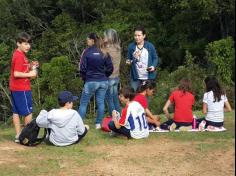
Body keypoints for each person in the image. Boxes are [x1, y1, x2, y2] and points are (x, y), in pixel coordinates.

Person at [79, 33, 113, 129]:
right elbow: (110, 67)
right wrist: (105, 76)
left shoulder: (86, 52)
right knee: (101, 102)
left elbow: (82, 68)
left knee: (83, 103)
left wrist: (85, 78)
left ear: (92, 40)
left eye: (88, 40)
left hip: (90, 81)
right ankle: (98, 124)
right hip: (103, 81)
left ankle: (79, 124)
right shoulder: (104, 51)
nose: (87, 41)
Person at [9, 32, 38, 143]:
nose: (28, 46)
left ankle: (18, 135)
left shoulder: (20, 55)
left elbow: (21, 68)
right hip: (22, 88)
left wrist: (31, 65)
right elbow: (16, 73)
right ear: (18, 43)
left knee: (16, 111)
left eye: (29, 44)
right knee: (28, 112)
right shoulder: (19, 56)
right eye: (25, 44)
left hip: (16, 87)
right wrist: (31, 74)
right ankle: (26, 136)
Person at [126, 26, 158, 91]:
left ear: (144, 36)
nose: (136, 37)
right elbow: (128, 61)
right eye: (135, 35)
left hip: (148, 77)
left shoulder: (150, 46)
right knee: (134, 96)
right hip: (135, 78)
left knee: (146, 98)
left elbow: (155, 58)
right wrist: (134, 58)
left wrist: (153, 66)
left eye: (139, 35)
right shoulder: (131, 46)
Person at [104, 29, 121, 116]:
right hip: (116, 77)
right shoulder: (118, 48)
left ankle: (113, 117)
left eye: (105, 36)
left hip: (109, 77)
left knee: (109, 99)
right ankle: (119, 116)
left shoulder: (107, 50)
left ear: (109, 37)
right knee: (115, 99)